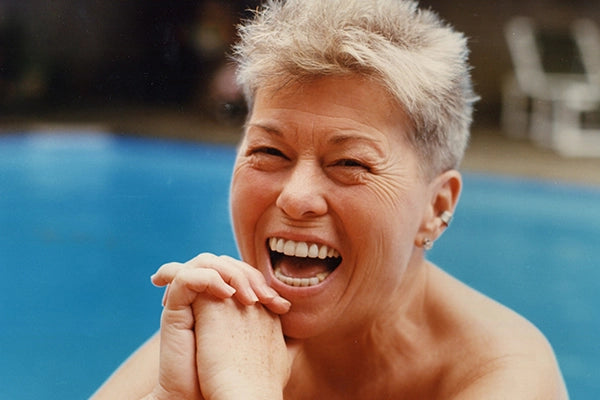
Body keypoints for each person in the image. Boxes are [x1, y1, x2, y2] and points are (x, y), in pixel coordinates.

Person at [92, 0, 569, 398]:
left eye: (350, 164)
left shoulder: (503, 371)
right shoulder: (229, 324)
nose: (297, 198)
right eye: (269, 151)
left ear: (437, 206)